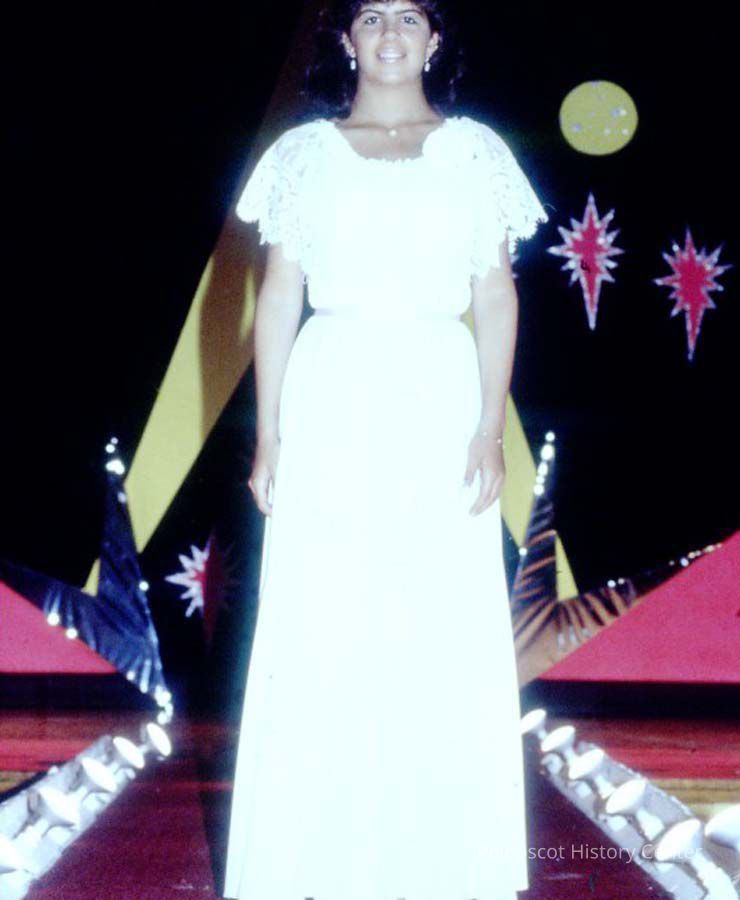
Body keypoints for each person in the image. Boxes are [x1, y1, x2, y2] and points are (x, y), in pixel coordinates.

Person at [224, 1, 548, 897]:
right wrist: (270, 433)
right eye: (372, 18)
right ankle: (312, 854)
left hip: (439, 394)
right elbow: (280, 293)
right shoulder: (302, 154)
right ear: (348, 40)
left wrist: (488, 426)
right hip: (332, 389)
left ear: (434, 41)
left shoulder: (476, 153)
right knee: (326, 605)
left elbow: (496, 292)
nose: (391, 34)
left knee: (435, 609)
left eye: (409, 17)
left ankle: (443, 856)